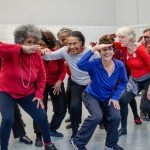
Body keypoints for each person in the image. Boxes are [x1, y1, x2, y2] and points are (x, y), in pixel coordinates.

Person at [0, 25, 57, 150]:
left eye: (33, 42)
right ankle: (3, 147)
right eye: (28, 42)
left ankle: (48, 144)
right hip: (6, 92)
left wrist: (39, 95)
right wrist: (21, 48)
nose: (31, 45)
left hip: (27, 92)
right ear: (20, 42)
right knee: (8, 119)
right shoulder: (10, 52)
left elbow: (42, 76)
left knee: (41, 116)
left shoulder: (36, 55)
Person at [71, 36, 128, 150]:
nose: (107, 52)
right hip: (91, 95)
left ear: (113, 51)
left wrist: (116, 97)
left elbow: (124, 82)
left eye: (109, 49)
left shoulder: (119, 65)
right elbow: (80, 64)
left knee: (116, 117)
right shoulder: (94, 63)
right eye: (104, 50)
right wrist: (93, 49)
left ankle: (110, 144)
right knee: (97, 116)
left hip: (109, 96)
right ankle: (78, 141)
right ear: (100, 51)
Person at [42, 31, 100, 140]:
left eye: (75, 43)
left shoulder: (91, 52)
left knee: (98, 108)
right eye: (69, 44)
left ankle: (103, 123)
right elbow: (48, 57)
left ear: (81, 43)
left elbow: (101, 68)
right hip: (76, 83)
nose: (72, 47)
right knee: (74, 107)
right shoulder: (64, 51)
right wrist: (42, 51)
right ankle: (74, 133)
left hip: (91, 84)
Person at [34, 30, 67, 147]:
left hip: (56, 83)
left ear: (49, 44)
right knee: (39, 109)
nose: (41, 47)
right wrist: (39, 53)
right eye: (39, 44)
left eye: (43, 45)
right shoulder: (34, 54)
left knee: (62, 109)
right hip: (40, 85)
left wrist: (59, 81)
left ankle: (51, 129)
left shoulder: (56, 53)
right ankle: (39, 135)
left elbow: (62, 70)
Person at [116, 27, 150, 137]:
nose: (119, 39)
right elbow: (110, 44)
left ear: (130, 38)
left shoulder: (140, 49)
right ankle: (124, 128)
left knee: (147, 107)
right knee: (122, 100)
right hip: (135, 80)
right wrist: (108, 38)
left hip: (148, 80)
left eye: (122, 37)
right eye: (118, 37)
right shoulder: (125, 48)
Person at [57, 27, 73, 129]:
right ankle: (73, 116)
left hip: (85, 79)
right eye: (62, 39)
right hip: (72, 77)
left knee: (88, 100)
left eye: (66, 37)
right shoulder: (62, 50)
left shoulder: (75, 47)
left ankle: (101, 121)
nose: (64, 40)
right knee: (69, 97)